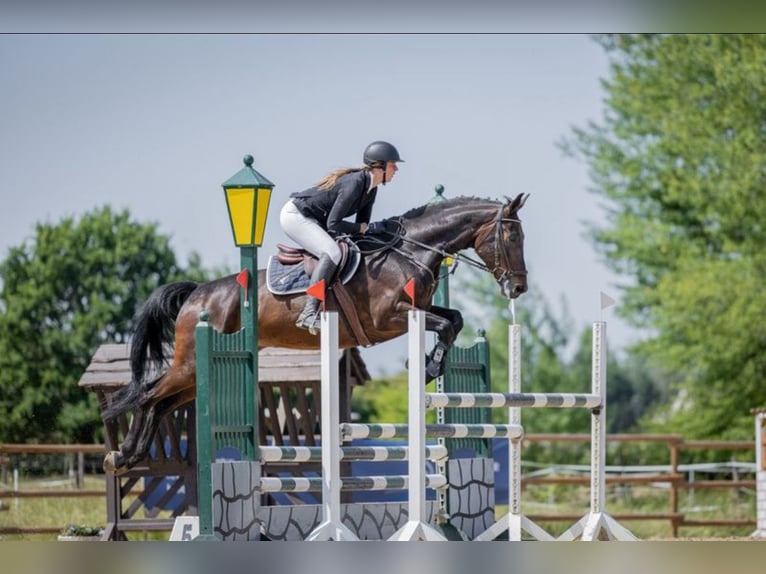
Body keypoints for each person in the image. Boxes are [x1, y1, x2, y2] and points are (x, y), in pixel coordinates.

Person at [280, 140, 404, 332]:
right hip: (296, 216)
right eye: (392, 164)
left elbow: (362, 225)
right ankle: (308, 312)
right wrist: (364, 228)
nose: (396, 169)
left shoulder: (370, 188)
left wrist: (373, 232)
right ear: (379, 166)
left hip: (315, 219)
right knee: (332, 253)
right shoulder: (355, 183)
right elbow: (334, 223)